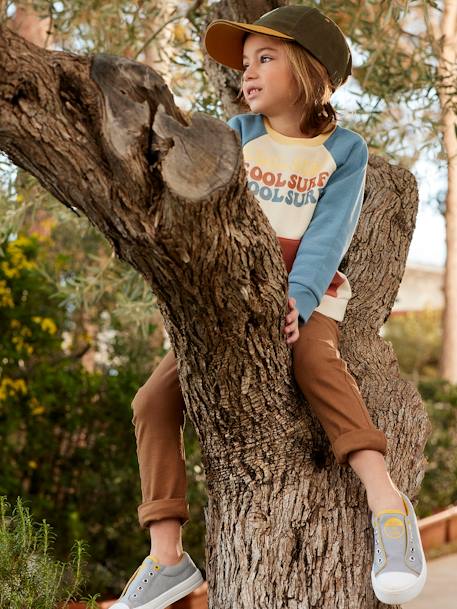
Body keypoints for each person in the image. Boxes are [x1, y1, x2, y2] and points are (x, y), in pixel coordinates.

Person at [111, 5, 427, 609]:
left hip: (310, 296)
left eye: (265, 59)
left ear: (309, 72)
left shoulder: (345, 150)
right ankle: (167, 556)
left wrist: (301, 299)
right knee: (152, 399)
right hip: (234, 302)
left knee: (315, 365)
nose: (246, 74)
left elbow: (330, 232)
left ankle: (387, 505)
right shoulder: (234, 136)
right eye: (244, 63)